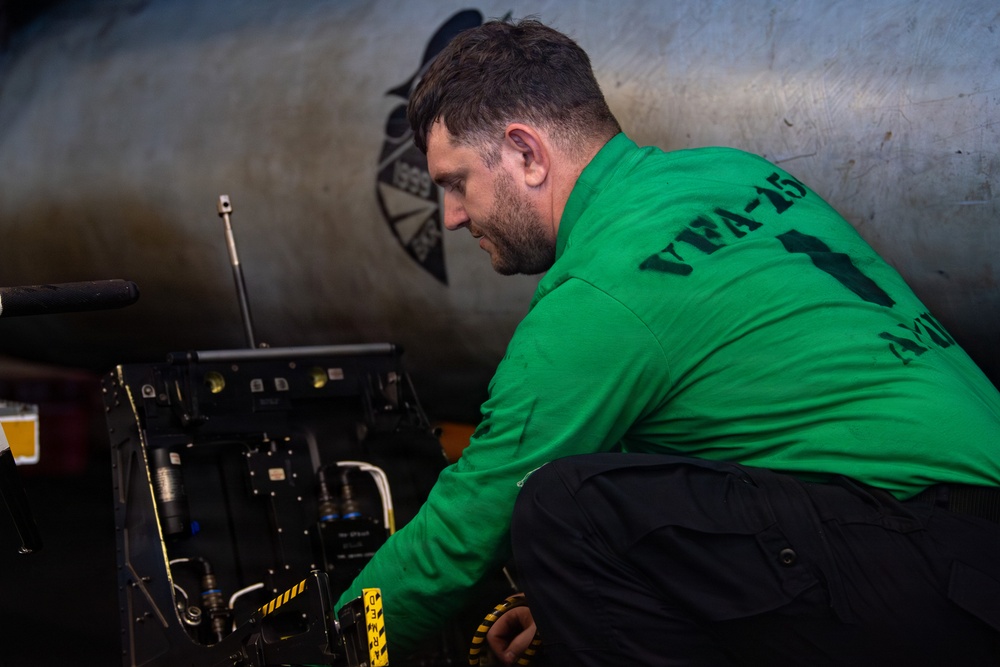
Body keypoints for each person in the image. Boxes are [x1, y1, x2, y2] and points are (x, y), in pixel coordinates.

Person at [335, 17, 1000, 665]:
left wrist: (322, 649)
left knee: (563, 507)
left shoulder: (601, 292)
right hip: (955, 544)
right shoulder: (733, 172)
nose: (450, 216)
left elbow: (462, 531)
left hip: (930, 562)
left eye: (456, 183)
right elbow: (742, 449)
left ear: (527, 154)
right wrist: (613, 593)